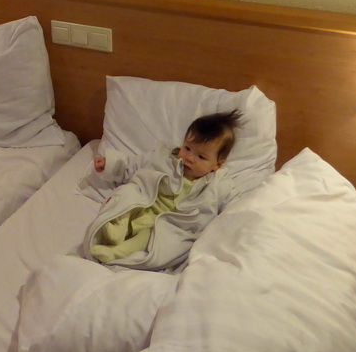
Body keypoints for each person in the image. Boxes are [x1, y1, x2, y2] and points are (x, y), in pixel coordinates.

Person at [79, 110, 243, 272]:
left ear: (218, 165)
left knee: (148, 238)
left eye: (201, 157)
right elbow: (133, 164)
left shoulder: (219, 185)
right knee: (126, 198)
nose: (189, 158)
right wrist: (111, 164)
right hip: (143, 204)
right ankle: (116, 228)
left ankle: (116, 252)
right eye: (187, 148)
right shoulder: (163, 158)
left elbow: (235, 206)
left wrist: (240, 220)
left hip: (169, 225)